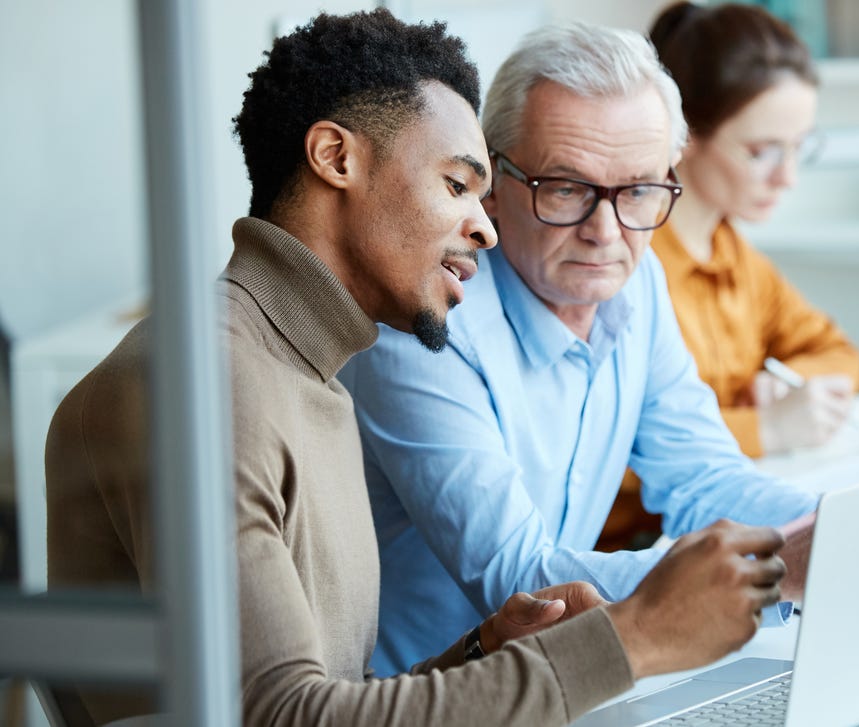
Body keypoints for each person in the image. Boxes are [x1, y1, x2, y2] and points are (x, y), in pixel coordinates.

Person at [43, 11, 787, 726]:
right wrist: (636, 636)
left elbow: (336, 695)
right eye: (458, 185)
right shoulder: (209, 382)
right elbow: (280, 718)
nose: (486, 227)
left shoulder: (307, 367)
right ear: (337, 159)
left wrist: (480, 650)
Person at [339, 21, 819, 676]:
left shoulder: (636, 281)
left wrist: (833, 528)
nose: (607, 232)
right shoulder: (423, 325)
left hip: (567, 680)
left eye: (638, 191)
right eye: (566, 189)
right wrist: (778, 567)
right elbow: (524, 583)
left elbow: (701, 475)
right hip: (427, 697)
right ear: (492, 184)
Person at [599, 1, 859, 551]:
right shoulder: (617, 265)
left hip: (710, 530)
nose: (788, 177)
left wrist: (792, 383)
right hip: (627, 555)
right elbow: (596, 454)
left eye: (799, 148)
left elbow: (837, 352)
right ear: (683, 137)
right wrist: (765, 429)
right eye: (762, 151)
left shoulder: (733, 254)